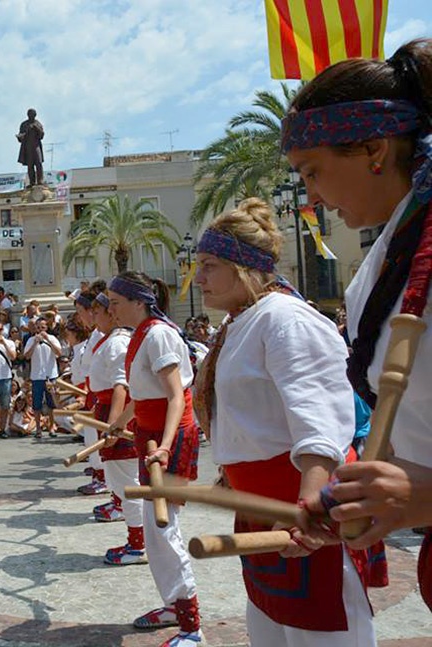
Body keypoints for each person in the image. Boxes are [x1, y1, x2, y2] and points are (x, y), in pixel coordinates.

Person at [281, 39, 432, 613]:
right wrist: (353, 498)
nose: (312, 197)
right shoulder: (377, 266)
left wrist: (425, 497)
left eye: (313, 171)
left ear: (374, 148)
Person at [192, 199, 380, 645]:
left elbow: (320, 421)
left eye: (209, 265)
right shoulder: (242, 323)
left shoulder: (285, 320)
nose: (198, 278)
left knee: (323, 634)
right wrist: (231, 477)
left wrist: (310, 507)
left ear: (244, 268)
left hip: (300, 510)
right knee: (271, 632)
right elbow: (253, 418)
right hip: (262, 513)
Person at [106, 271, 202, 647]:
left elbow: (176, 396)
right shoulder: (142, 334)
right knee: (155, 527)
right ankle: (173, 605)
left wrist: (163, 446)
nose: (110, 309)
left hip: (170, 436)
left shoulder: (159, 334)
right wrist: (119, 424)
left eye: (115, 302)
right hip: (153, 434)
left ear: (138, 301)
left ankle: (191, 625)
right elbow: (142, 397)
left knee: (164, 528)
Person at [88, 290, 145, 564]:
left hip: (118, 415)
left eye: (97, 311)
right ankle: (137, 540)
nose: (93, 317)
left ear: (111, 313)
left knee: (128, 482)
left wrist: (113, 426)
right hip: (109, 411)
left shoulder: (118, 342)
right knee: (119, 479)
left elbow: (122, 385)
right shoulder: (110, 341)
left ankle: (138, 545)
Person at [70, 285, 108, 495]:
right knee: (91, 437)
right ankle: (99, 474)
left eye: (80, 312)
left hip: (99, 393)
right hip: (91, 392)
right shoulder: (95, 336)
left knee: (97, 437)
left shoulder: (101, 336)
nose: (80, 317)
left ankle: (103, 479)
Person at [22, 316, 61, 438]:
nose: (40, 330)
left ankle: (52, 427)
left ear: (47, 328)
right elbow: (27, 356)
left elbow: (59, 353)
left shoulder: (53, 338)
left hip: (51, 375)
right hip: (37, 376)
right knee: (37, 404)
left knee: (52, 404)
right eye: (38, 327)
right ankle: (38, 428)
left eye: (42, 327)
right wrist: (34, 343)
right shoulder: (30, 340)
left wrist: (47, 340)